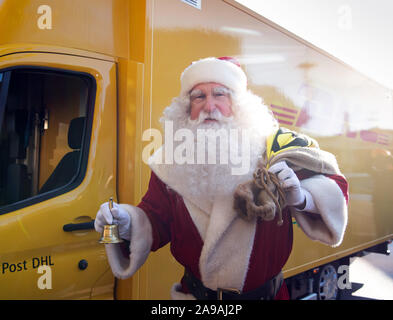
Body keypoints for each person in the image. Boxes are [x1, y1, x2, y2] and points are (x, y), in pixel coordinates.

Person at [95, 57, 348, 300]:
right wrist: (125, 220)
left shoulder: (274, 149)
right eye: (199, 97)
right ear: (187, 109)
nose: (209, 106)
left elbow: (335, 186)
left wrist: (302, 197)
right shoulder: (168, 162)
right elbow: (155, 218)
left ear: (238, 105)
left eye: (220, 94)